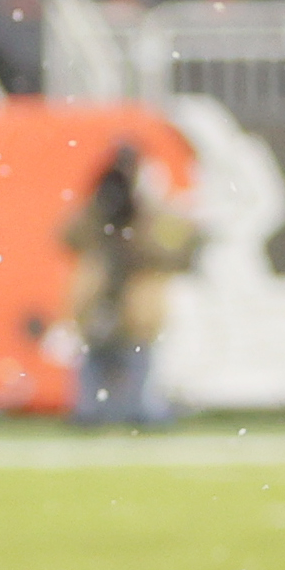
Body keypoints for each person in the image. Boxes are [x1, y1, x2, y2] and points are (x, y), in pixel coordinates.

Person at [60, 143, 197, 427]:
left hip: (136, 299)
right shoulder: (96, 212)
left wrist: (142, 212)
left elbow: (173, 250)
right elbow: (68, 236)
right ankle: (93, 411)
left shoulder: (152, 212)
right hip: (100, 295)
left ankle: (140, 410)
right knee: (94, 357)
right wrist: (99, 207)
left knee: (137, 357)